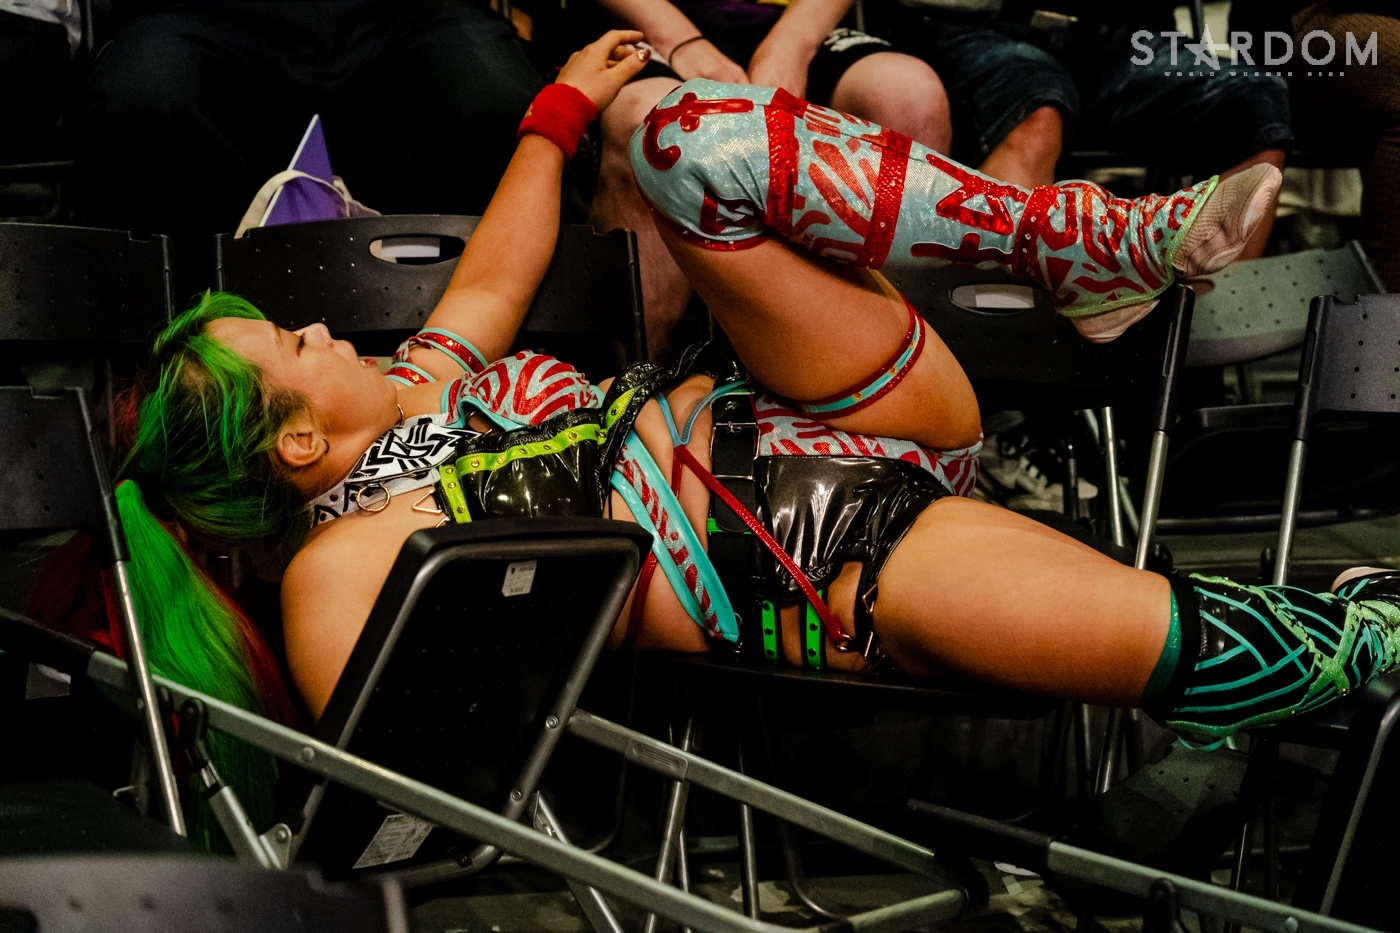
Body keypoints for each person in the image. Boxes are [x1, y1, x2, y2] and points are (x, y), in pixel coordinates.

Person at [88, 34, 1396, 853]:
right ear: (298, 441)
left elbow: (493, 271)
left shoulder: (424, 388)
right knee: (1199, 650)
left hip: (827, 402)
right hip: (830, 567)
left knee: (676, 136)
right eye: (295, 343)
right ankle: (1369, 626)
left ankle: (1081, 244)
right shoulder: (339, 572)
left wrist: (555, 114)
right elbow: (430, 778)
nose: (325, 326)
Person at [72, 0, 542, 292]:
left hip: (412, 13)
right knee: (142, 100)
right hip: (203, 11)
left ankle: (471, 353)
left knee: (497, 104)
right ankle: (187, 364)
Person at [589, 0, 951, 357]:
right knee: (650, 123)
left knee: (909, 96)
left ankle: (896, 365)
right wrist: (681, 42)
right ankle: (636, 375)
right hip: (638, 22)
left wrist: (794, 43)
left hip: (782, 20)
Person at [877, 1, 1290, 261]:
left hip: (1117, 33)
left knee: (1254, 102)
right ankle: (1000, 340)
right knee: (1036, 111)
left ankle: (1186, 337)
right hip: (969, 24)